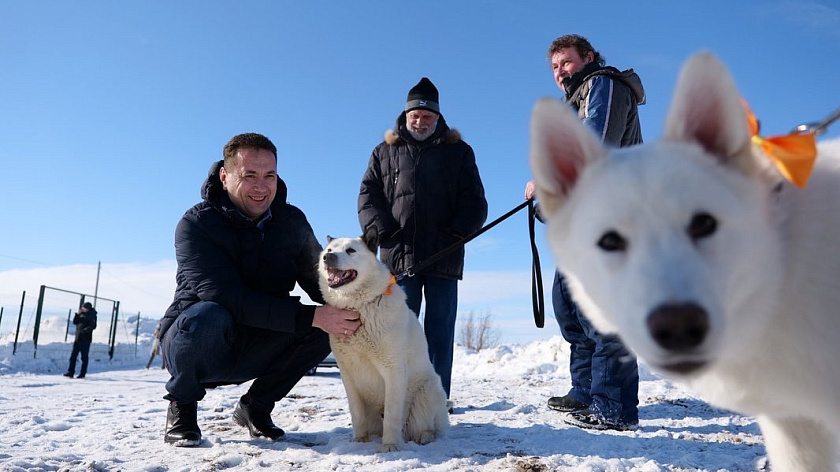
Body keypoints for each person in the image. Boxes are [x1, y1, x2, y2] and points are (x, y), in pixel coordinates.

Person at [158, 132, 362, 447]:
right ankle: (182, 407)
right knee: (209, 315)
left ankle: (256, 407)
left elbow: (319, 281)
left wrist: (363, 293)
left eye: (269, 176)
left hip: (261, 338)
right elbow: (225, 296)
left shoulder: (291, 222)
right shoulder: (196, 225)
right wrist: (309, 316)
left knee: (331, 324)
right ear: (225, 176)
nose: (261, 186)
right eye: (249, 175)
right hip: (199, 340)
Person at [525, 34, 644, 431]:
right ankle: (586, 391)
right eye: (555, 67)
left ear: (589, 57)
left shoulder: (605, 86)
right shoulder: (573, 102)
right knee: (571, 311)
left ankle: (613, 406)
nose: (560, 73)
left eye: (567, 63)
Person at [358, 77, 488, 406]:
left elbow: (475, 201)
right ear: (405, 116)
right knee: (396, 334)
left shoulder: (459, 151)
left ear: (438, 117)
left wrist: (457, 234)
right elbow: (367, 197)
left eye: (428, 116)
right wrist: (383, 230)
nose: (421, 120)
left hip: (443, 258)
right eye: (415, 114)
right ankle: (394, 398)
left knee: (439, 335)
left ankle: (436, 400)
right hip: (399, 260)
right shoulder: (384, 151)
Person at [63, 301, 97, 379]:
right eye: (82, 307)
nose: (82, 309)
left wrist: (84, 331)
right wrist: (77, 315)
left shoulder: (92, 315)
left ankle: (82, 373)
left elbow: (93, 326)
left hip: (85, 339)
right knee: (73, 356)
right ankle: (70, 372)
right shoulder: (81, 314)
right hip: (78, 338)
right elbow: (75, 322)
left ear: (87, 308)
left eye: (84, 308)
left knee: (84, 357)